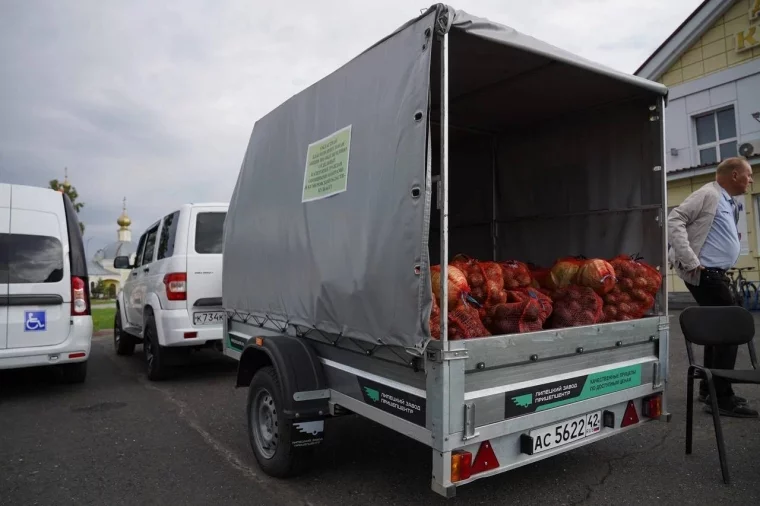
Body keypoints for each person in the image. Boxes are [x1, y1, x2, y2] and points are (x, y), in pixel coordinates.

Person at [668, 156, 757, 418]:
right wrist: (690, 260)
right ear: (734, 175)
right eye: (748, 174)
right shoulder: (708, 194)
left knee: (717, 331)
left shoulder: (729, 202)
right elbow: (675, 219)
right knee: (730, 329)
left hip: (716, 274)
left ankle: (709, 388)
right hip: (705, 274)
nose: (751, 180)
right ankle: (722, 398)